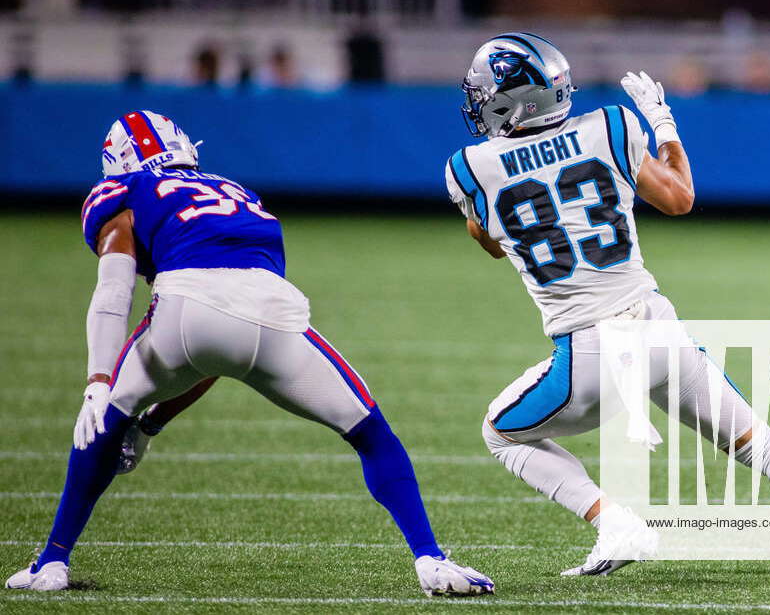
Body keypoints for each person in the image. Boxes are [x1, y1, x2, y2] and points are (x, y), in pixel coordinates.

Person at [448, 32, 770, 580]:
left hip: (589, 354)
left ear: (512, 100)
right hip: (657, 329)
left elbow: (488, 238)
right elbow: (680, 197)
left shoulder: (468, 168)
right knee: (766, 447)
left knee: (501, 432)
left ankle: (614, 522)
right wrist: (663, 125)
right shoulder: (613, 126)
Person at [5, 111, 495, 597]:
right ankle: (430, 559)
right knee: (370, 432)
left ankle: (51, 562)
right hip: (275, 315)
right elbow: (231, 337)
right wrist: (153, 424)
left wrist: (99, 382)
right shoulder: (237, 192)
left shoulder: (123, 192)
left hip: (185, 310)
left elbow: (116, 294)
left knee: (103, 421)